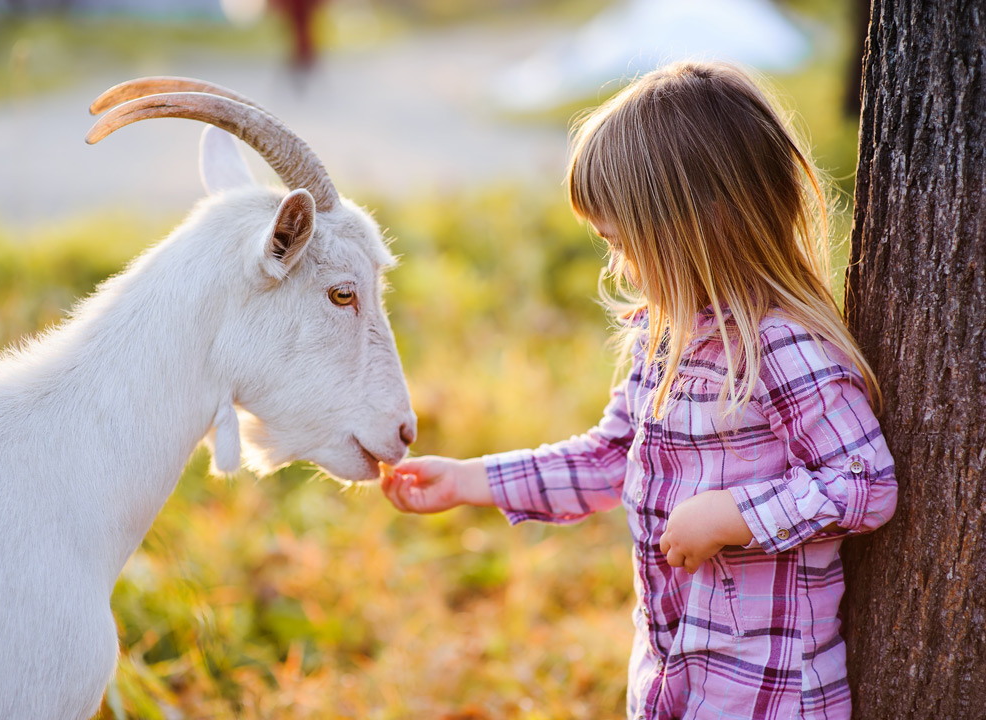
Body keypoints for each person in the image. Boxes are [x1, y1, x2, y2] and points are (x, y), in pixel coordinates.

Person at [380, 61, 898, 720]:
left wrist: (735, 516)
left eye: (624, 243)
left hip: (764, 692)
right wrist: (470, 479)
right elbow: (607, 457)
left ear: (701, 226)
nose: (618, 266)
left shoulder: (783, 348)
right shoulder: (664, 338)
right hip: (674, 664)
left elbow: (864, 481)